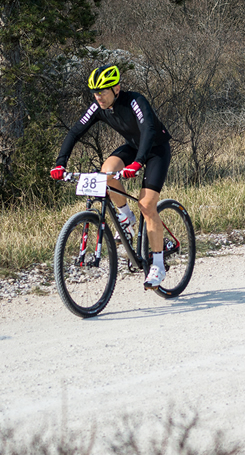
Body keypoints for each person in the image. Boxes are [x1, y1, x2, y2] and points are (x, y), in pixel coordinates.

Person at [50, 65, 173, 288]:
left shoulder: (135, 101)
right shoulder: (98, 107)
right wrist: (60, 163)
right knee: (106, 173)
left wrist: (138, 162)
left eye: (102, 92)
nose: (98, 97)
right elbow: (76, 131)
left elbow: (148, 129)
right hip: (133, 147)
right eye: (94, 93)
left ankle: (157, 265)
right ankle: (126, 217)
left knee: (146, 205)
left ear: (116, 89)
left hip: (156, 150)